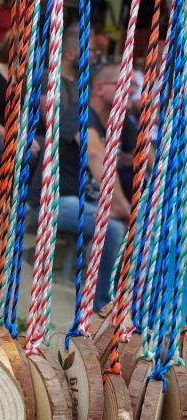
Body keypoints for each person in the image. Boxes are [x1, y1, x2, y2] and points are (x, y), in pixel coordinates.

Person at [29, 63, 132, 312]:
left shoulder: (119, 120)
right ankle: (102, 306)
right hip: (55, 202)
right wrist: (122, 207)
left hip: (86, 202)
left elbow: (146, 151)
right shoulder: (79, 113)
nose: (127, 92)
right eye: (120, 85)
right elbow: (95, 155)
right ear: (99, 88)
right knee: (112, 227)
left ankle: (127, 300)